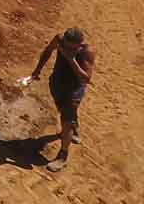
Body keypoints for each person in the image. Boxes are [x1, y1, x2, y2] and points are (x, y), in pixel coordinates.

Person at [26, 27, 94, 170]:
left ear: (79, 44)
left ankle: (62, 156)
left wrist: (71, 59)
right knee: (63, 111)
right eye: (66, 46)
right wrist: (36, 71)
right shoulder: (59, 40)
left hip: (74, 90)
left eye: (72, 47)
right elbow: (47, 51)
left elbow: (86, 78)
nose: (67, 48)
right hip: (56, 83)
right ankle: (74, 127)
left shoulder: (86, 52)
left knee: (66, 120)